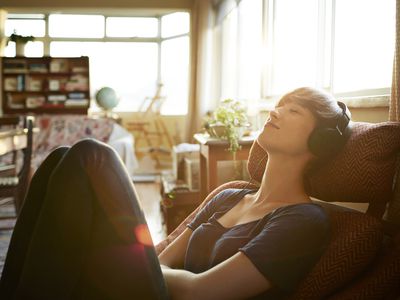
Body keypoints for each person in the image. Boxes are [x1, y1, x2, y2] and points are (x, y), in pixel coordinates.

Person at [0, 87, 351, 300]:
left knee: (94, 154)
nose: (275, 110)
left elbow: (203, 293)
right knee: (59, 160)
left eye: (294, 110)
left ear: (320, 141)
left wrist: (125, 264)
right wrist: (129, 263)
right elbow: (161, 257)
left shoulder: (303, 220)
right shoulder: (229, 197)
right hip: (150, 288)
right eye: (280, 103)